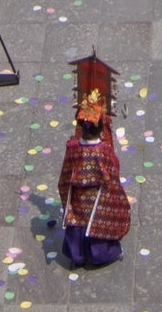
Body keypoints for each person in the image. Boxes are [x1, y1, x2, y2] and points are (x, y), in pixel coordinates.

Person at [56, 77, 131, 268]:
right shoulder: (103, 151)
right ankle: (100, 255)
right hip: (98, 196)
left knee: (79, 222)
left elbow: (66, 172)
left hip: (78, 198)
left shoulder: (73, 147)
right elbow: (112, 171)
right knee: (97, 224)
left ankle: (78, 256)